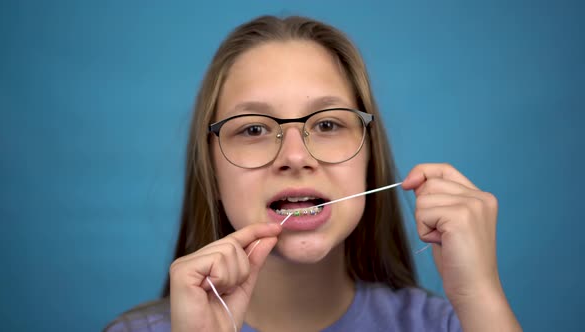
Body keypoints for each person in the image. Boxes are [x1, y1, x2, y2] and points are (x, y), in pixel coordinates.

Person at [105, 15, 521, 332]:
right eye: (254, 129)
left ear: (369, 158)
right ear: (210, 170)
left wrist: (480, 295)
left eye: (327, 124)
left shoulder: (451, 324)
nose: (295, 156)